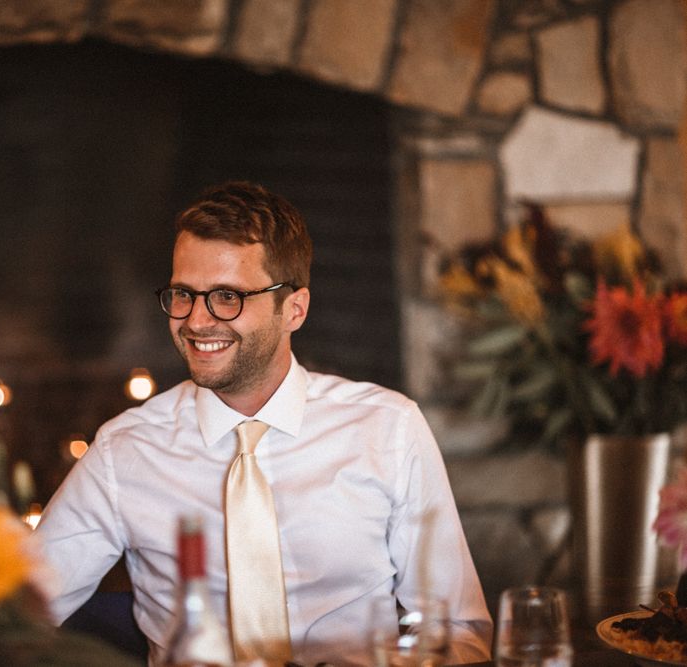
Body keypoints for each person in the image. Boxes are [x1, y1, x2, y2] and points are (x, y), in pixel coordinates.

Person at [33, 181, 493, 666]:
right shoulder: (124, 450)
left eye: (227, 296)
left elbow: (458, 631)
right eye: (183, 294)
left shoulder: (388, 428)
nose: (196, 321)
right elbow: (16, 614)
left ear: (294, 309)